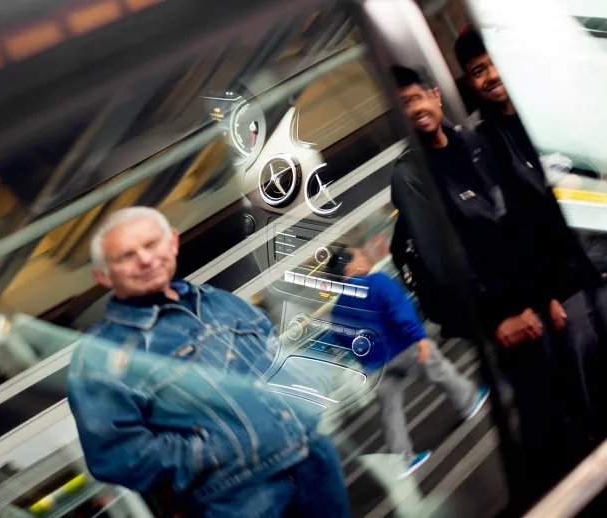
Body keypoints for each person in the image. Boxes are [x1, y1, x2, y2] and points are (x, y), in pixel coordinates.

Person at [388, 63, 597, 501]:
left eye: (415, 98)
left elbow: (519, 222)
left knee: (583, 410)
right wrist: (493, 321)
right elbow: (443, 263)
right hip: (505, 322)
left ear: (435, 95)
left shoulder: (473, 143)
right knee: (546, 432)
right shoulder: (411, 175)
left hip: (540, 304)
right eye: (402, 106)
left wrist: (551, 293)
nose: (413, 110)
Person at [67, 207, 350, 518]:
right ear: (104, 276)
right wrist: (211, 452)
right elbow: (116, 455)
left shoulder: (221, 302)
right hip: (238, 498)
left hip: (315, 461)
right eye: (126, 256)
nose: (145, 260)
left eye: (151, 244)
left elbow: (278, 360)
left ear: (172, 242)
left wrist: (306, 394)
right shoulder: (100, 355)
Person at [454, 28, 607, 445]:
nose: (491, 76)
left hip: (598, 262)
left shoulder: (545, 113)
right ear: (470, 83)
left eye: (493, 62)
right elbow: (513, 225)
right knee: (588, 393)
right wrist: (546, 294)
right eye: (477, 70)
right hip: (564, 287)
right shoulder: (484, 142)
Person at [334, 247, 488, 479]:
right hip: (405, 347)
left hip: (376, 365)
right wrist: (419, 337)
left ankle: (402, 460)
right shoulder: (377, 282)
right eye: (359, 256)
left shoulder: (337, 310)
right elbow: (400, 310)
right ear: (348, 266)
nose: (365, 256)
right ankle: (468, 402)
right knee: (441, 372)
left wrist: (369, 359)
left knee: (390, 411)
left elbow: (345, 339)